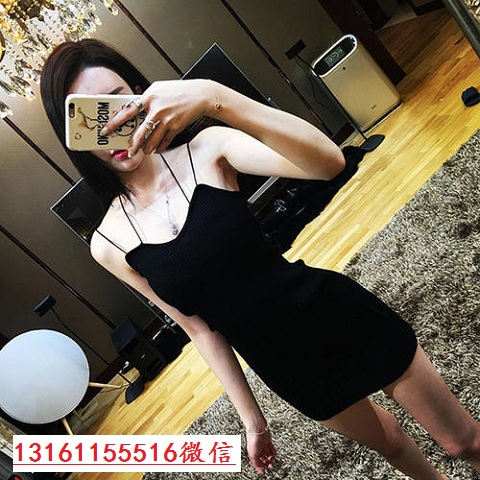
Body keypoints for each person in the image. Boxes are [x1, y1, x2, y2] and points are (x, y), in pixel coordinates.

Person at [41, 39, 480, 479]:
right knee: (390, 442)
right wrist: (252, 420)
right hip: (287, 368)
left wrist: (215, 96)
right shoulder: (109, 244)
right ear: (72, 135)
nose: (110, 123)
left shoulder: (207, 149)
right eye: (87, 115)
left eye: (115, 101)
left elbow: (329, 163)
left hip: (335, 313)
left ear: (142, 94)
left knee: (463, 442)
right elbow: (199, 329)